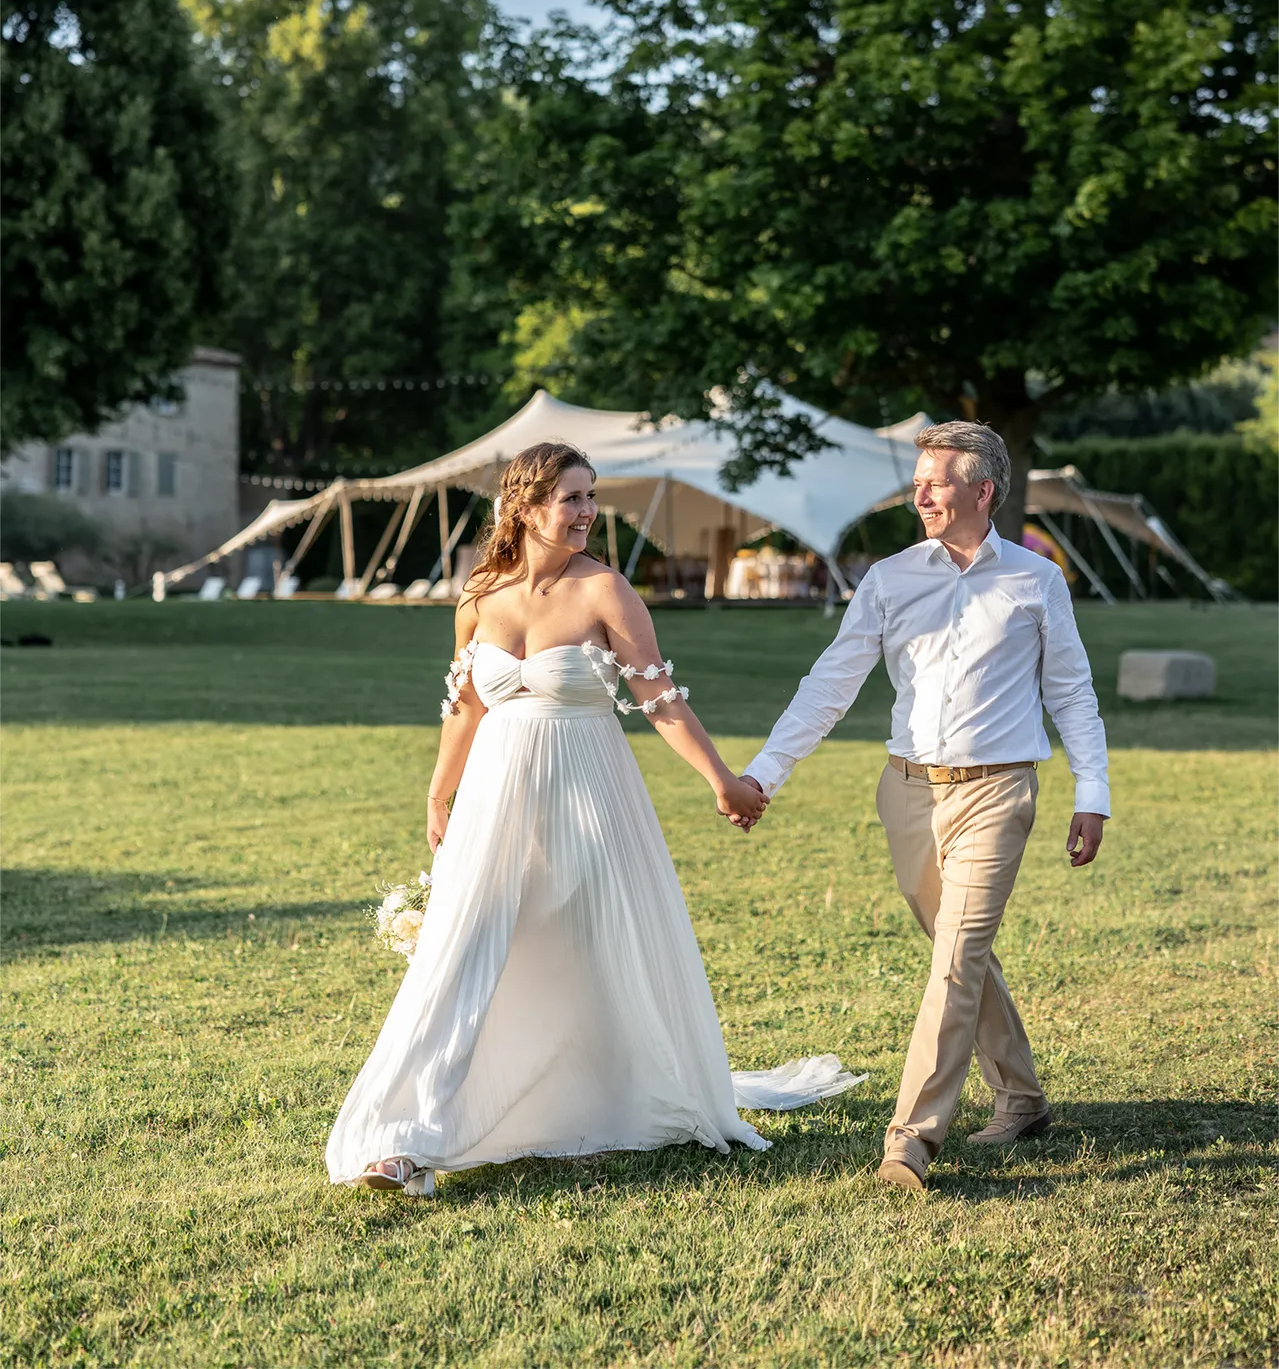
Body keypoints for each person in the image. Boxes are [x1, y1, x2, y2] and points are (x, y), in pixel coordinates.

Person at [326, 441, 862, 1197]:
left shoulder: (607, 590)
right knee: (462, 949)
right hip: (494, 798)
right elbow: (465, 706)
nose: (587, 512)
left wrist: (722, 780)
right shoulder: (478, 595)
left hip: (588, 791)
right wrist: (439, 795)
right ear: (524, 507)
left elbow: (659, 700)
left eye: (590, 495)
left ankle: (594, 1092)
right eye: (571, 498)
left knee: (590, 941)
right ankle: (403, 1141)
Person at [740, 420, 1110, 1192]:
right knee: (959, 953)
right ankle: (1022, 1098)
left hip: (998, 791)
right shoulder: (888, 578)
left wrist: (1092, 792)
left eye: (935, 483)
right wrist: (764, 773)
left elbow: (1070, 691)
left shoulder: (1036, 581)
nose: (920, 496)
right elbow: (830, 683)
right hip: (906, 792)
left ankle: (908, 1141)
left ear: (982, 491)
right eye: (917, 483)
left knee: (954, 960)